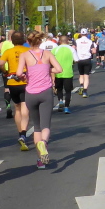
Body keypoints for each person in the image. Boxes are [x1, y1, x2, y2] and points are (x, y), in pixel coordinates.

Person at [15, 32, 63, 169]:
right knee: (45, 125)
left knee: (36, 126)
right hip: (46, 92)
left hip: (31, 93)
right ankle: (44, 142)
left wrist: (25, 75)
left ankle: (40, 160)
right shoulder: (47, 54)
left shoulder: (25, 55)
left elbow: (18, 73)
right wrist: (48, 70)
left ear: (28, 42)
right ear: (41, 41)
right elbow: (59, 69)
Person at [0, 32, 30, 150]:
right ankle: (23, 134)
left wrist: (5, 72)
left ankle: (20, 132)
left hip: (12, 82)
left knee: (17, 108)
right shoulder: (28, 51)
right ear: (23, 40)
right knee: (25, 107)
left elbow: (0, 63)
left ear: (12, 40)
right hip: (25, 81)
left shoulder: (8, 52)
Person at [52, 35, 78, 113]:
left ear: (59, 41)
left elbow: (50, 60)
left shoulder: (55, 49)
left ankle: (60, 101)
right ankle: (66, 107)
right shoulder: (71, 49)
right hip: (68, 73)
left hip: (58, 73)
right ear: (67, 41)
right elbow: (76, 60)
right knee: (68, 91)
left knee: (59, 89)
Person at [75, 29, 96, 97]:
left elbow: (73, 48)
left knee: (81, 74)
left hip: (79, 59)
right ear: (87, 34)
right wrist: (90, 52)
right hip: (87, 59)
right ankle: (85, 92)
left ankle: (81, 85)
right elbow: (94, 51)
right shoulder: (90, 41)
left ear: (80, 34)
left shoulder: (77, 41)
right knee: (86, 76)